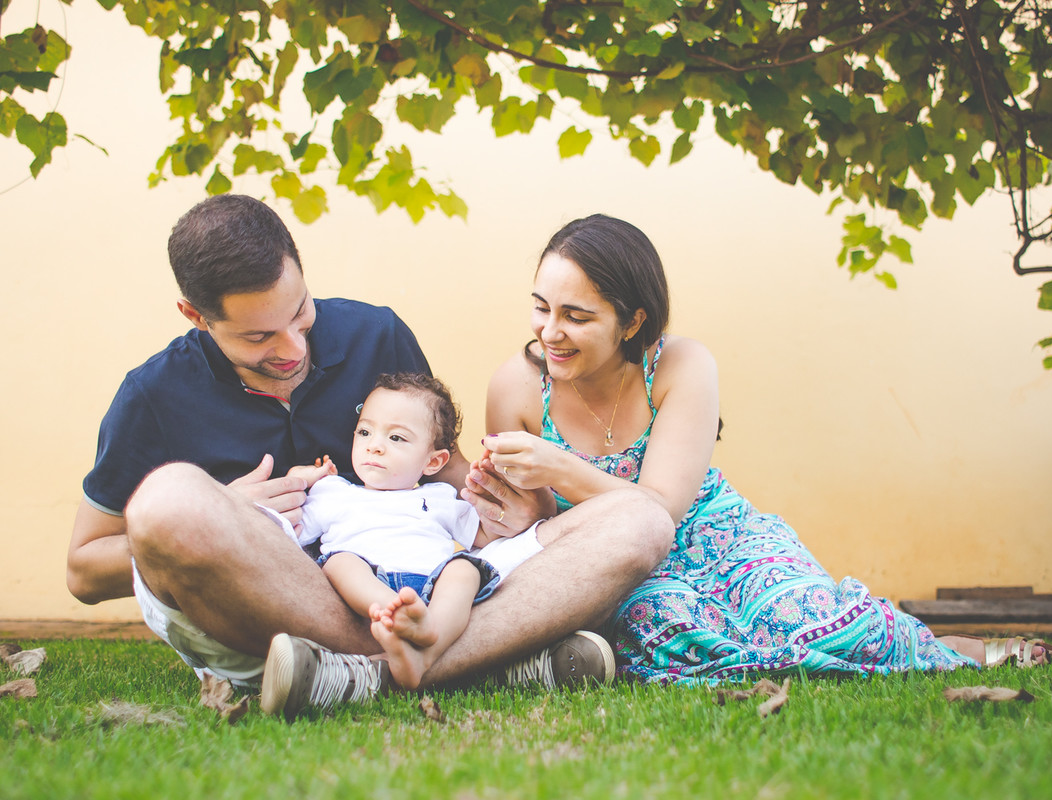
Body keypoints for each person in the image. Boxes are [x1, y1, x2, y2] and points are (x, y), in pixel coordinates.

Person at [66, 195, 674, 709]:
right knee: (169, 504)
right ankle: (482, 662)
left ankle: (360, 676)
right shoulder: (152, 394)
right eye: (258, 336)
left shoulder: (375, 333)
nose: (292, 348)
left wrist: (515, 509)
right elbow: (84, 570)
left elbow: (451, 471)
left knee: (639, 520)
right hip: (285, 599)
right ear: (196, 317)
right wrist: (222, 510)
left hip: (422, 585)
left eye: (300, 314)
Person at [479, 213, 1052, 684]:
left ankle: (939, 648)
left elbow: (663, 506)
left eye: (576, 316)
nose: (549, 332)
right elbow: (529, 531)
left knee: (808, 614)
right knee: (675, 633)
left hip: (720, 534)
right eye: (541, 307)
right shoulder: (518, 388)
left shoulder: (680, 365)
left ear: (632, 322)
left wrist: (561, 468)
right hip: (622, 567)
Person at [262, 373, 552, 718]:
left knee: (463, 569)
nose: (375, 445)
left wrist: (510, 499)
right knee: (339, 562)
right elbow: (286, 534)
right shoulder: (332, 492)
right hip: (368, 586)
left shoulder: (442, 497)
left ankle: (431, 637)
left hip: (430, 584)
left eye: (397, 438)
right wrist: (300, 480)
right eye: (365, 432)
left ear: (433, 462)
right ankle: (393, 612)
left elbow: (491, 537)